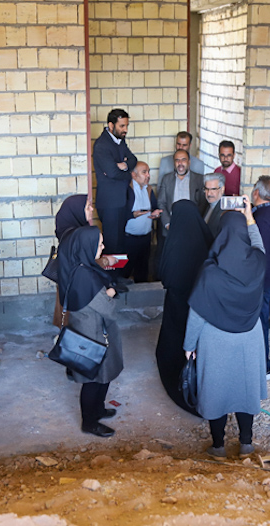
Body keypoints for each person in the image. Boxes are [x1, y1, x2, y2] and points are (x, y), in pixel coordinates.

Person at [184, 205, 267, 458]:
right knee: (245, 389)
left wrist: (189, 345)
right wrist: (250, 218)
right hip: (249, 337)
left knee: (216, 390)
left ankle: (218, 446)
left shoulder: (210, 272)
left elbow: (197, 314)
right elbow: (259, 245)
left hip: (216, 339)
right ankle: (246, 443)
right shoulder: (258, 262)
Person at [57, 226, 124, 438]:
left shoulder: (80, 266)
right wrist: (110, 293)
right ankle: (89, 422)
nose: (103, 247)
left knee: (101, 375)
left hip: (91, 328)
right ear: (88, 245)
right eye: (100, 243)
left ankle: (98, 409)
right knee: (94, 380)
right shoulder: (85, 276)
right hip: (94, 333)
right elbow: (108, 309)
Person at [155, 200, 213, 416]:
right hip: (201, 305)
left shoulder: (173, 242)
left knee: (174, 338)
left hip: (177, 302)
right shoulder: (206, 239)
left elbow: (164, 276)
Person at [53, 195, 117, 328]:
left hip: (73, 294)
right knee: (77, 331)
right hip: (79, 302)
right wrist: (105, 261)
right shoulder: (73, 236)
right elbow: (82, 264)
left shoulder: (70, 230)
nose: (92, 209)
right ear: (76, 211)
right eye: (87, 207)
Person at [93, 108, 138, 256]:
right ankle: (112, 272)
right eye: (122, 126)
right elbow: (112, 172)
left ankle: (118, 271)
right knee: (112, 246)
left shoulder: (120, 140)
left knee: (120, 243)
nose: (125, 130)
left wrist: (123, 165)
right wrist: (129, 174)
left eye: (126, 125)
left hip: (120, 201)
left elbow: (133, 160)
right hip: (110, 203)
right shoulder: (102, 145)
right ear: (111, 125)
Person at [251, 176, 270, 380]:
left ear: (256, 193)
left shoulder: (261, 218)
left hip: (263, 278)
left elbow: (258, 251)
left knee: (260, 321)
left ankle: (265, 367)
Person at [124, 161, 162, 282]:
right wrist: (132, 215)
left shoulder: (149, 189)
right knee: (125, 272)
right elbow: (119, 214)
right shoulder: (126, 189)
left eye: (148, 172)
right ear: (134, 175)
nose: (148, 175)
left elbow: (154, 207)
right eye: (144, 172)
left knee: (143, 271)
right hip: (129, 240)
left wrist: (156, 213)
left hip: (146, 238)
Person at [158, 149, 206, 238]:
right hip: (171, 226)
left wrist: (195, 222)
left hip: (193, 226)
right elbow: (161, 203)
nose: (180, 163)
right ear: (174, 163)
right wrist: (168, 224)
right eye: (177, 160)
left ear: (189, 162)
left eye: (183, 160)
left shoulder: (199, 179)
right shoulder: (166, 179)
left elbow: (203, 203)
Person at [201, 172, 225, 238]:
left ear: (222, 189)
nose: (209, 193)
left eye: (213, 189)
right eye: (206, 189)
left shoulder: (225, 209)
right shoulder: (207, 205)